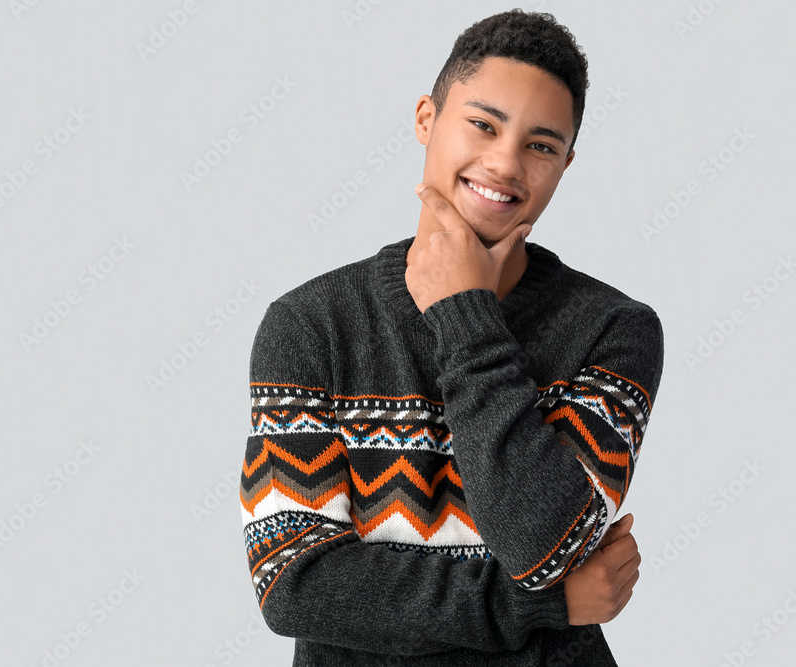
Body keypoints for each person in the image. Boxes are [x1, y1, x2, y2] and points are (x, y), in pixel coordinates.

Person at [238, 9, 664, 666]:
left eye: (541, 145)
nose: (505, 162)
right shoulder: (310, 325)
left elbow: (544, 544)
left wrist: (465, 314)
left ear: (566, 164)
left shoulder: (613, 330)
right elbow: (296, 585)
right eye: (484, 124)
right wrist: (542, 604)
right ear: (426, 120)